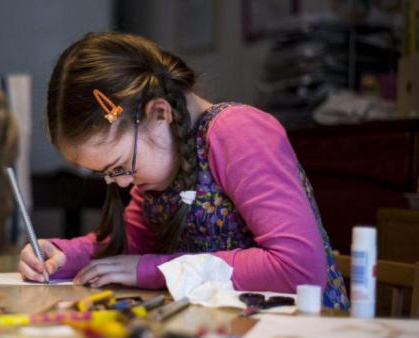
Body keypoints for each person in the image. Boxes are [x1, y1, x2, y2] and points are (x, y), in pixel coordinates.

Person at [18, 32, 349, 309]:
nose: (121, 182)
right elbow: (133, 246)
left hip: (303, 336)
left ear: (159, 114)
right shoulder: (158, 165)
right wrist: (63, 254)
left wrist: (152, 271)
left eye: (121, 166)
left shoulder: (238, 133)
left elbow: (299, 270)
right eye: (109, 173)